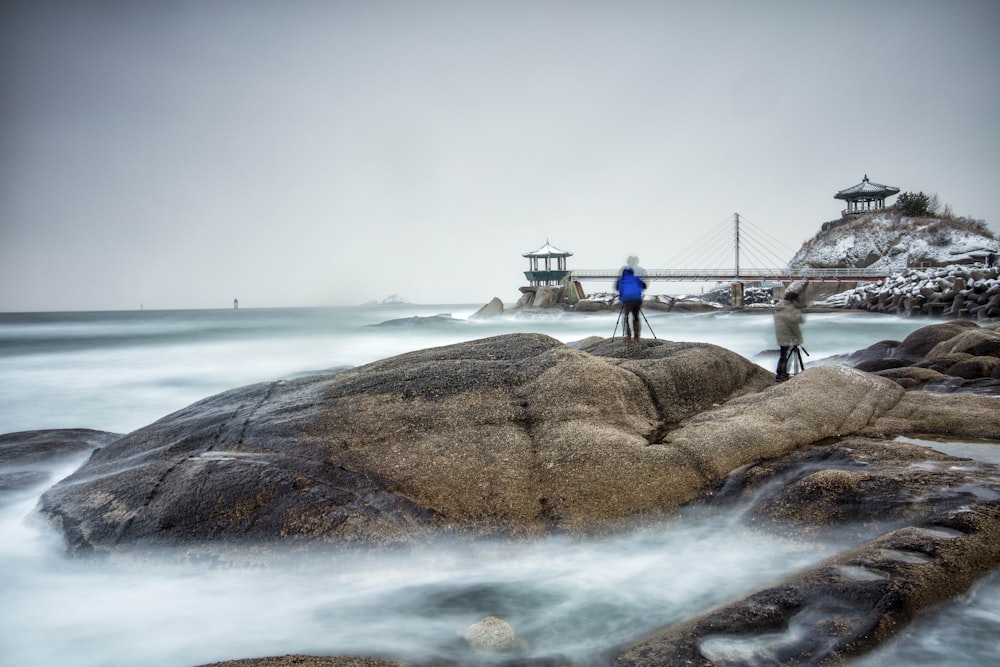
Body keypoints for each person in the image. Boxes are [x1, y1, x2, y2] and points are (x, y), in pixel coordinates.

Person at [773, 288, 805, 382]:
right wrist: (798, 339)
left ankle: (779, 374)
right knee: (786, 356)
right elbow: (796, 323)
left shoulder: (779, 307)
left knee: (783, 355)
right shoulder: (791, 309)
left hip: (780, 334)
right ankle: (784, 375)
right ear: (793, 300)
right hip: (788, 335)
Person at [615, 256, 647, 340]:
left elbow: (617, 288)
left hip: (626, 300)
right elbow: (644, 286)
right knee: (636, 317)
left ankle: (628, 334)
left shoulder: (621, 280)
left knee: (625, 317)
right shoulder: (636, 278)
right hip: (637, 300)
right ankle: (637, 334)